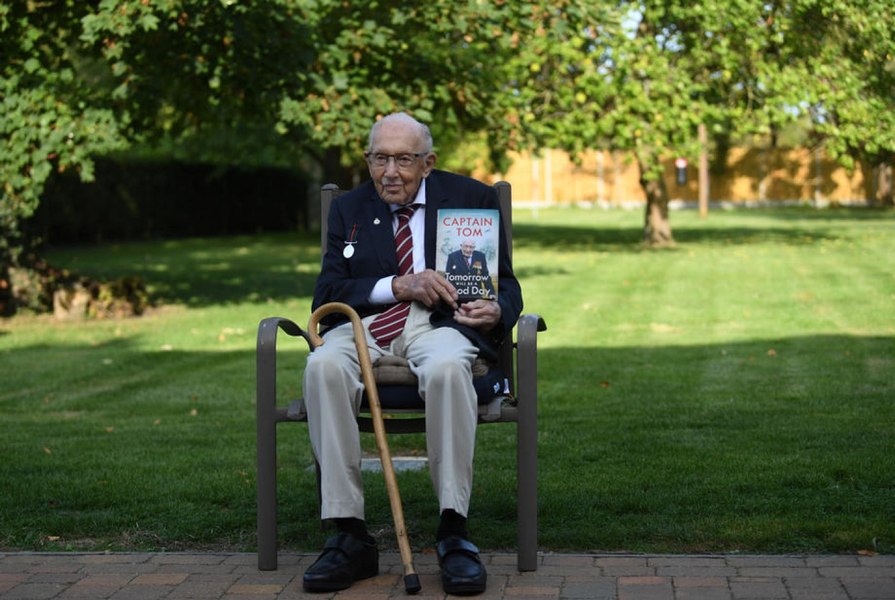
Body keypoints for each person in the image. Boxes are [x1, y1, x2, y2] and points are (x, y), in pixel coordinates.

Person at [301, 112, 522, 595]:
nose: (390, 172)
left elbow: (508, 285)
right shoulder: (351, 209)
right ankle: (348, 534)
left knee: (446, 368)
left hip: (440, 323)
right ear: (368, 160)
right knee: (321, 367)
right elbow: (327, 294)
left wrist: (497, 309)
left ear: (428, 163)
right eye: (380, 159)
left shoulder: (471, 199)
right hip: (364, 325)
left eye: (403, 159)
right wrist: (399, 285)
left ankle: (453, 530)